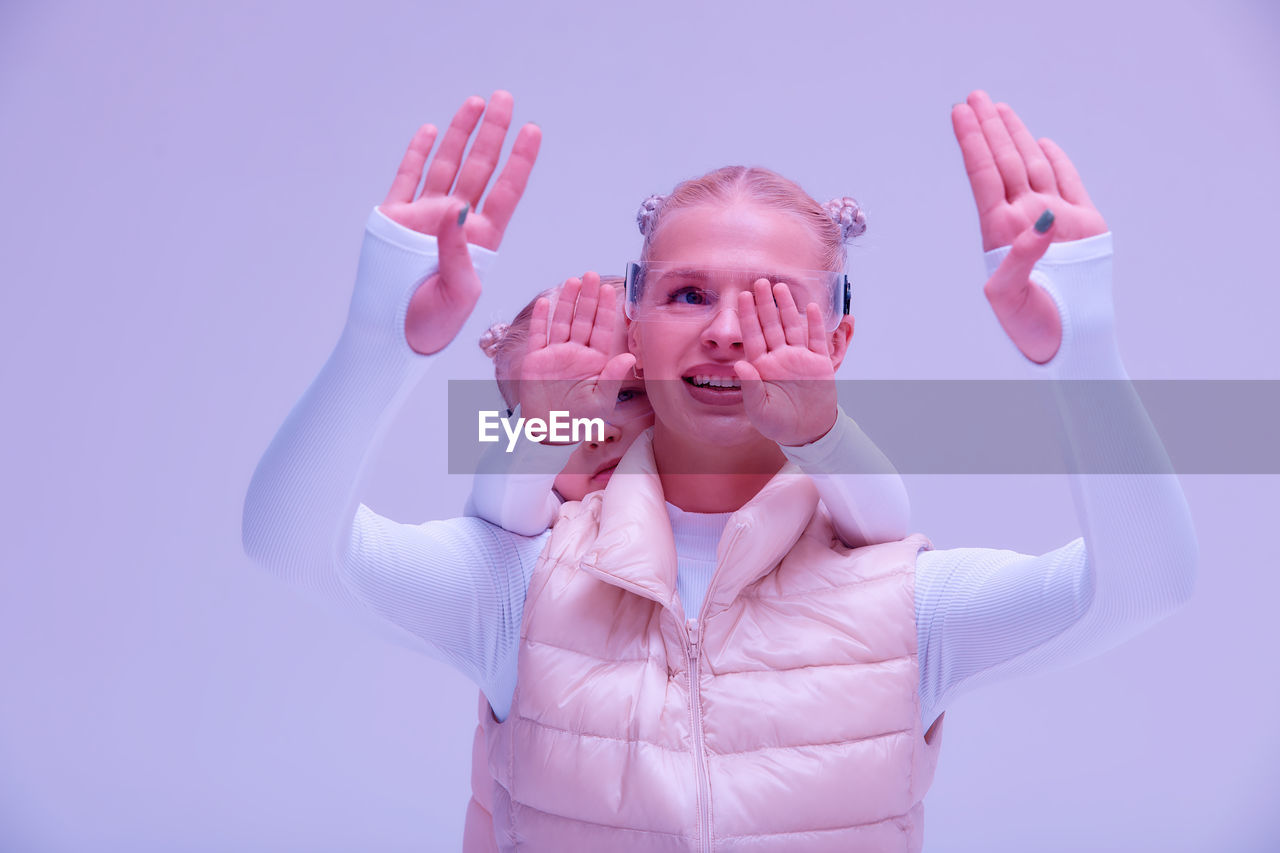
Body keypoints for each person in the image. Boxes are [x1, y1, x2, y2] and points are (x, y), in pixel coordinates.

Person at [242, 90, 1196, 852]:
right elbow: (291, 544)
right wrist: (384, 338)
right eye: (687, 292)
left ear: (839, 338)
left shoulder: (909, 602)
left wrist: (1083, 349)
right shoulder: (518, 585)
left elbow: (1145, 586)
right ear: (636, 324)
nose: (728, 328)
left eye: (774, 300)